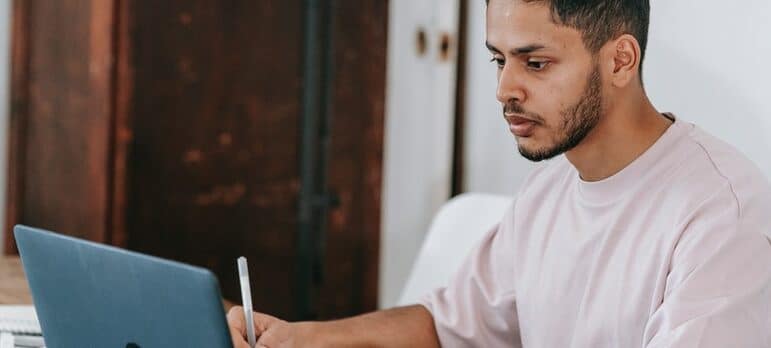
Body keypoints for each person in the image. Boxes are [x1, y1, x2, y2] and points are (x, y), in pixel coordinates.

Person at [228, 0, 771, 346]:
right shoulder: (550, 188)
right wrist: (305, 339)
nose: (505, 89)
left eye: (536, 63)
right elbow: (448, 325)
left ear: (621, 60)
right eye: (498, 60)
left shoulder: (721, 213)